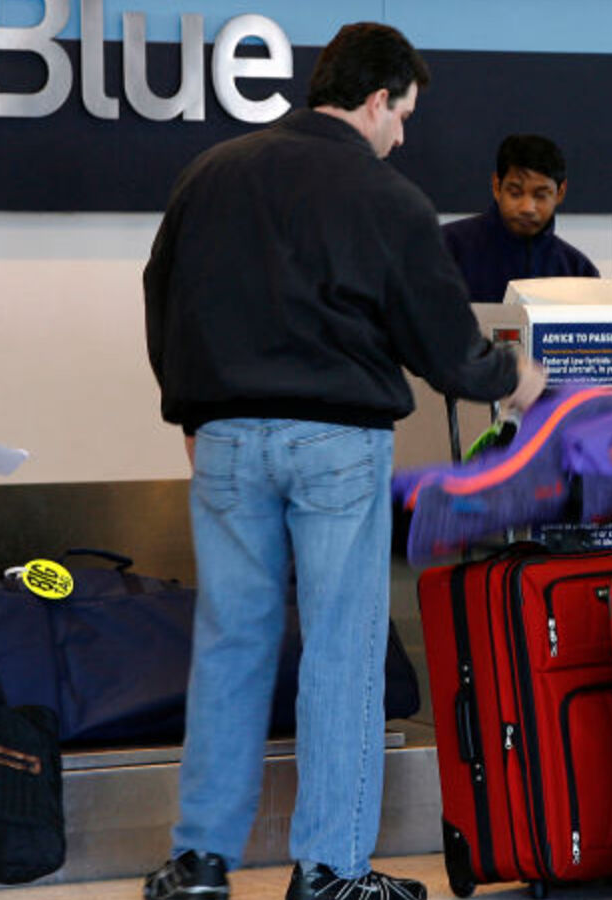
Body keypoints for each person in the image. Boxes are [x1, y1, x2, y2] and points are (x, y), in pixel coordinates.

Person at [141, 22, 546, 900]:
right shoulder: (387, 197)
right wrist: (512, 381)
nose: (401, 135)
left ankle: (199, 863)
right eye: (402, 115)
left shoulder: (210, 174)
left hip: (226, 440)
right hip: (337, 444)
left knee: (230, 646)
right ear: (375, 100)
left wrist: (191, 409)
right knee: (343, 651)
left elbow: (161, 291)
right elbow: (444, 344)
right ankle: (330, 871)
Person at [442, 133, 599, 301]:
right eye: (515, 193)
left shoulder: (579, 272)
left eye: (540, 195)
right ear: (496, 186)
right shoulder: (446, 248)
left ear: (560, 193)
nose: (527, 208)